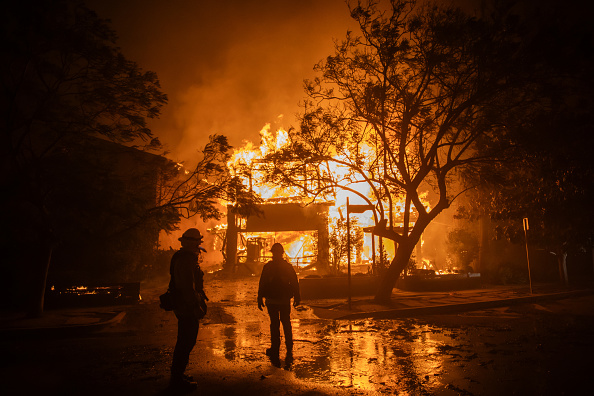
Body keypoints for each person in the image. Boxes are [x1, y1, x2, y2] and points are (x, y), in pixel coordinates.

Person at [169, 228, 208, 392]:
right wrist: (195, 306)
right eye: (198, 242)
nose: (199, 246)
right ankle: (176, 380)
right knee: (186, 342)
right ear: (192, 243)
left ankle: (179, 375)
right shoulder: (186, 260)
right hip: (187, 307)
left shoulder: (184, 257)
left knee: (185, 341)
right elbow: (187, 287)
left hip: (184, 305)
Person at [257, 242, 300, 367]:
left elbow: (263, 283)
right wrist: (297, 296)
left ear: (272, 253)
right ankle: (289, 347)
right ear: (282, 253)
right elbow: (294, 282)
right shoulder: (287, 266)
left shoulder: (268, 267)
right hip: (284, 300)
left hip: (271, 300)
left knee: (274, 324)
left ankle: (275, 348)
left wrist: (260, 298)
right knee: (286, 322)